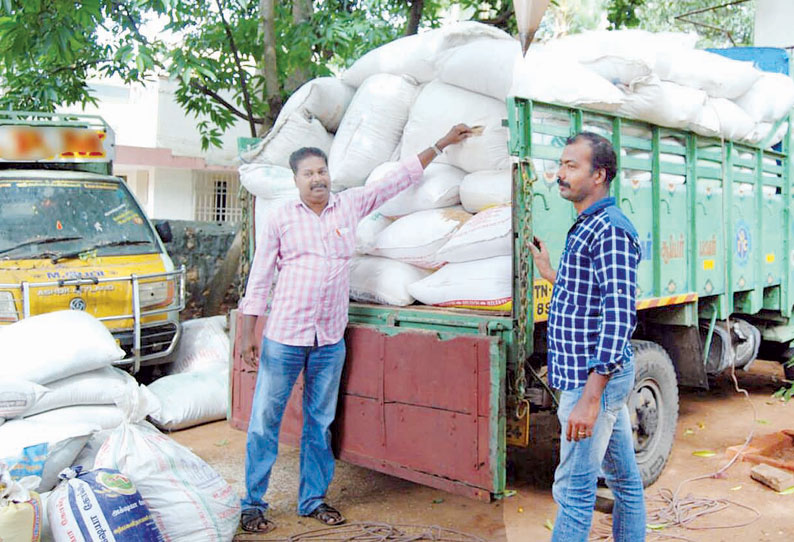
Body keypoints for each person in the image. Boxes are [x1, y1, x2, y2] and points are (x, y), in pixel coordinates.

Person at [237, 124, 473, 533]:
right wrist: (246, 335)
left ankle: (312, 500)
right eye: (308, 173)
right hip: (284, 339)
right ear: (295, 180)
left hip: (329, 340)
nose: (318, 178)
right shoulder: (280, 219)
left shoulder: (348, 206)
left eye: (322, 171)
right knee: (264, 422)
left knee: (320, 422)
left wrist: (440, 143)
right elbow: (258, 281)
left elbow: (395, 180)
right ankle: (253, 503)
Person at [529, 132, 646, 542]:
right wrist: (550, 273)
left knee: (574, 491)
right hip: (587, 377)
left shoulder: (610, 230)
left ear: (599, 175)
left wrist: (590, 399)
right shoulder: (588, 225)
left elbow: (618, 318)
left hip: (592, 379)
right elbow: (588, 297)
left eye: (571, 166)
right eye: (561, 164)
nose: (560, 174)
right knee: (625, 483)